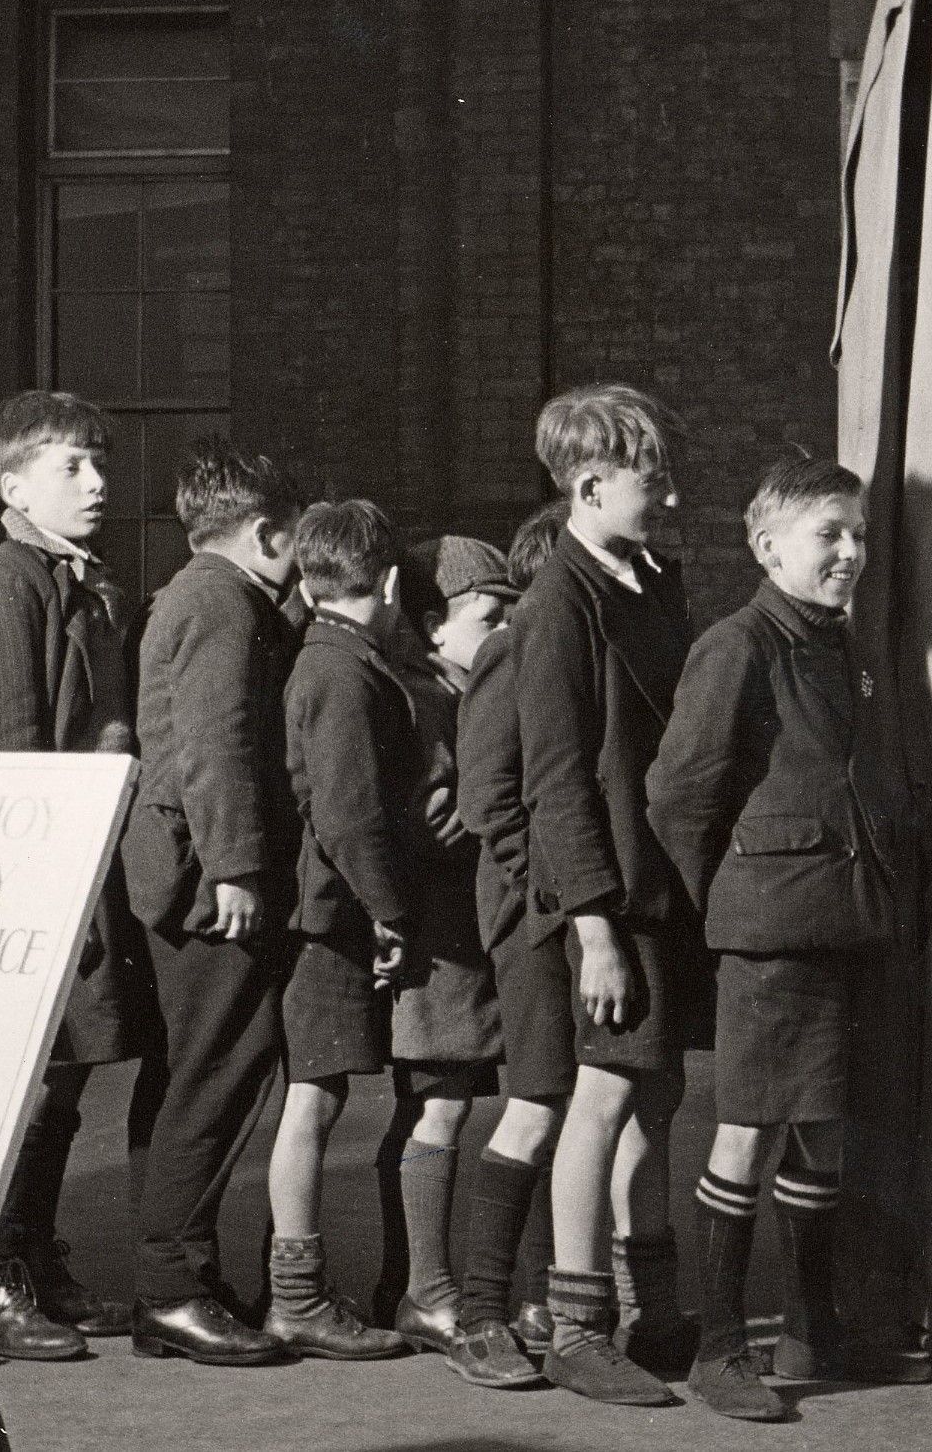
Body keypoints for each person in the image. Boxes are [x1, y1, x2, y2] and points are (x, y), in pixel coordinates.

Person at [645, 455, 916, 1420]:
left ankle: (811, 1330)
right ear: (766, 548)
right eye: (827, 534)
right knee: (747, 1129)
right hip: (773, 930)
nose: (850, 552)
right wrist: (735, 896)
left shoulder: (844, 648)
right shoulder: (738, 645)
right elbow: (678, 793)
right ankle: (720, 1349)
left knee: (823, 1124)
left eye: (857, 534)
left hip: (845, 924)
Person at [0, 390, 160, 1362]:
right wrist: (43, 892)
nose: (96, 482)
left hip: (90, 853)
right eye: (70, 466)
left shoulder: (81, 577)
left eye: (98, 462)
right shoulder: (7, 584)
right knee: (35, 1085)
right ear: (12, 487)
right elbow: (13, 749)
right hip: (49, 866)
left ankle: (37, 1261)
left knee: (69, 1079)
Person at [517, 385, 703, 1407]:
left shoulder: (652, 581)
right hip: (612, 900)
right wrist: (594, 932)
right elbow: (554, 781)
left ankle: (652, 1314)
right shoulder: (558, 604)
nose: (668, 499)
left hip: (663, 886)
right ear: (589, 487)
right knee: (602, 1095)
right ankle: (578, 1329)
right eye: (652, 481)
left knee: (653, 1095)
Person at [120, 441, 305, 1366]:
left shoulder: (200, 594)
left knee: (191, 1072)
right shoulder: (221, 603)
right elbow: (215, 742)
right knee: (216, 1072)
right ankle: (170, 1288)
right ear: (266, 533)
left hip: (184, 870)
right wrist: (235, 867)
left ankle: (173, 1279)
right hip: (204, 880)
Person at [264, 498, 420, 1364]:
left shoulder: (326, 657)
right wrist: (391, 910)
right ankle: (295, 1299)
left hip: (323, 909)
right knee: (314, 1098)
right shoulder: (341, 670)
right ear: (389, 584)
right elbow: (350, 816)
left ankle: (295, 1290)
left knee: (315, 1095)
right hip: (328, 916)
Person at [373, 535, 521, 1377]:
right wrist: (492, 797)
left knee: (440, 1102)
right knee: (440, 1105)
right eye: (488, 617)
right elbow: (429, 820)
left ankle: (409, 1280)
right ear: (432, 624)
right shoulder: (430, 701)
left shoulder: (458, 690)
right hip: (442, 939)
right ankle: (428, 1292)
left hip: (460, 935)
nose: (502, 633)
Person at [448, 500, 570, 1377]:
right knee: (534, 1102)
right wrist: (551, 890)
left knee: (569, 1106)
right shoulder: (513, 647)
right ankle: (480, 1315)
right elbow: (486, 796)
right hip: (533, 915)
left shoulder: (580, 643)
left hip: (577, 908)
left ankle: (538, 1297)